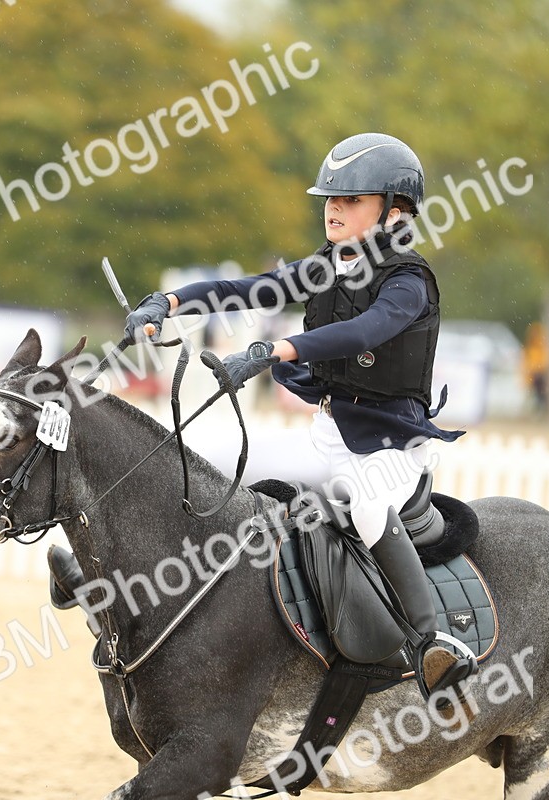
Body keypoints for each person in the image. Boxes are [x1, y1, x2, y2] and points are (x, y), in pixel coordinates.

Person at [50, 133, 475, 695]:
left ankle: (431, 644)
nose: (333, 208)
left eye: (351, 199)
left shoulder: (409, 282)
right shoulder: (328, 267)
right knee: (204, 458)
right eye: (330, 198)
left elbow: (365, 332)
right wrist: (168, 303)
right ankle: (100, 576)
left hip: (393, 456)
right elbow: (245, 288)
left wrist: (279, 350)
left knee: (367, 503)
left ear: (394, 212)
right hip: (327, 440)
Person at [522, 322, 549, 414]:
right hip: (534, 375)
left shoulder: (541, 348)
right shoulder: (531, 348)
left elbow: (544, 362)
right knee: (535, 396)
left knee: (539, 397)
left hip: (539, 375)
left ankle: (538, 412)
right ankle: (536, 412)